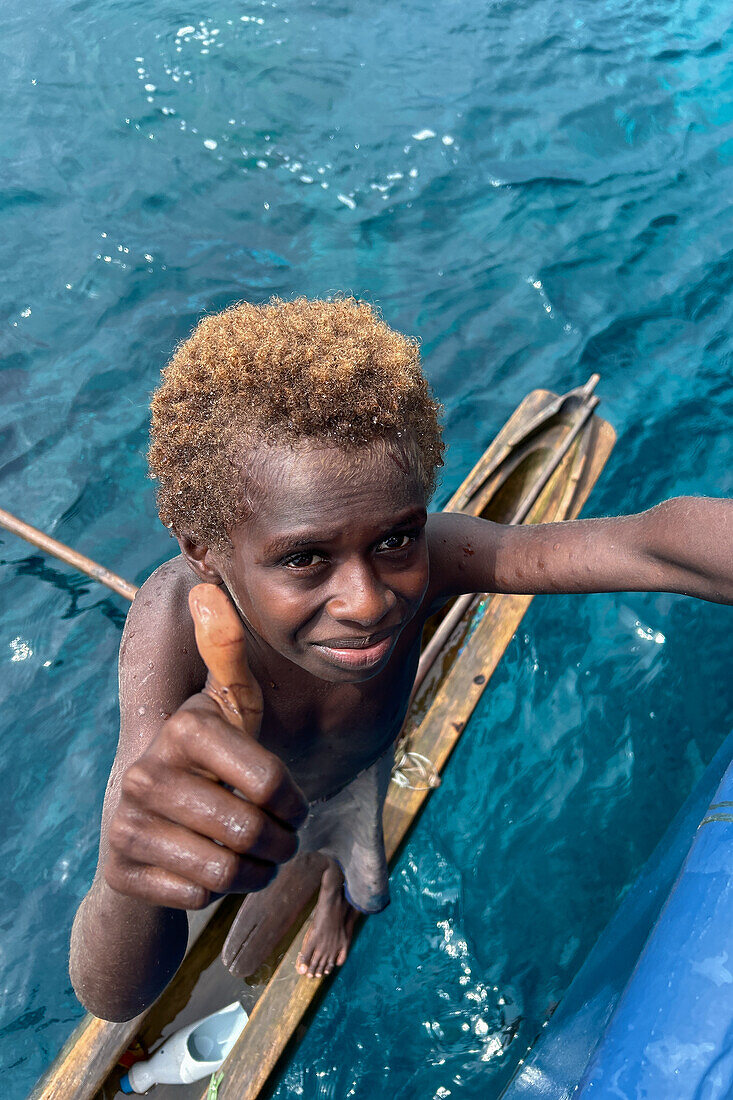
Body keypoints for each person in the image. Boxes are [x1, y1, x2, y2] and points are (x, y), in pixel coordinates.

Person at [69, 296, 732, 1022]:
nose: (366, 600)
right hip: (266, 799)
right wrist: (123, 870)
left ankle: (333, 892)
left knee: (366, 888)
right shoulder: (172, 633)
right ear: (200, 547)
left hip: (361, 773)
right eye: (304, 558)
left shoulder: (439, 555)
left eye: (393, 540)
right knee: (239, 867)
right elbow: (114, 997)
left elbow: (644, 543)